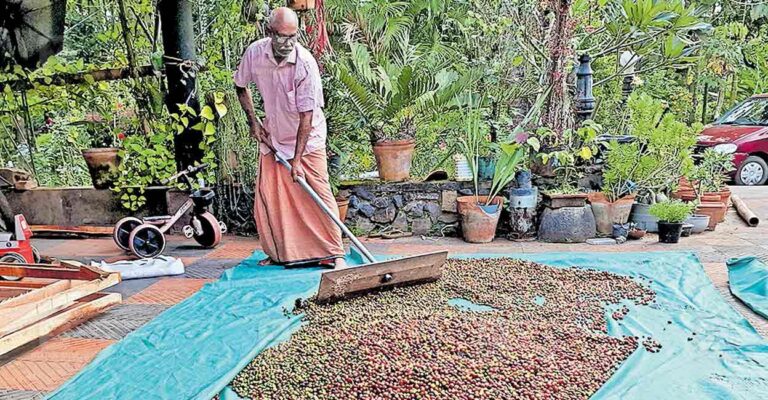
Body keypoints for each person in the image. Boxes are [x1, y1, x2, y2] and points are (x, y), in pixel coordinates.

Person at [234, 7, 346, 268]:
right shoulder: (255, 53)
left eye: (293, 36)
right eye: (282, 36)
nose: (288, 43)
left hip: (308, 140)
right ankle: (280, 254)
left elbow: (307, 117)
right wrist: (254, 122)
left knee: (318, 193)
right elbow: (240, 86)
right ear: (269, 32)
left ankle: (334, 253)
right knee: (270, 195)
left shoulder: (305, 64)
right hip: (274, 135)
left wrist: (296, 160)